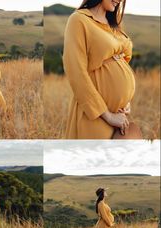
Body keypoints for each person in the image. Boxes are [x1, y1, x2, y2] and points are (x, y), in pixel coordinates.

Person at [63, 0, 135, 139]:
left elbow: (124, 59)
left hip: (119, 114)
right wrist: (108, 116)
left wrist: (126, 100)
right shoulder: (78, 20)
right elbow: (76, 72)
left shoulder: (114, 24)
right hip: (96, 115)